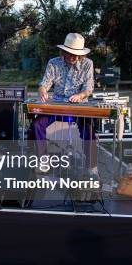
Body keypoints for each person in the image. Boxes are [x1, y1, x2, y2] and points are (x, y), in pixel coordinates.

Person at [32, 32, 96, 172]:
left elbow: (88, 88)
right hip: (56, 105)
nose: (72, 57)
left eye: (76, 54)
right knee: (37, 124)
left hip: (79, 106)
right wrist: (43, 91)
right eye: (69, 53)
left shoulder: (87, 64)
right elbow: (44, 84)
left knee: (88, 128)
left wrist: (80, 95)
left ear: (81, 54)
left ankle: (91, 166)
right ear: (63, 51)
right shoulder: (53, 63)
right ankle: (43, 161)